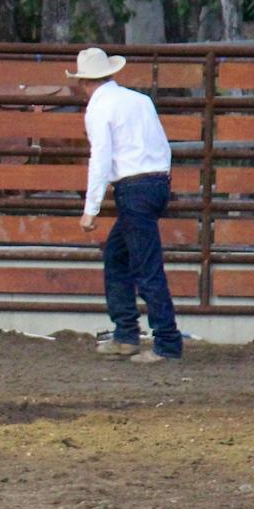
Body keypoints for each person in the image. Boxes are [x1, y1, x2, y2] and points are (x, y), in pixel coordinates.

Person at [70, 47, 182, 362]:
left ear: (84, 82)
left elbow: (101, 158)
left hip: (133, 189)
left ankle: (166, 342)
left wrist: (90, 208)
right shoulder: (140, 101)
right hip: (156, 183)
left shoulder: (98, 109)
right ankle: (126, 333)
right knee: (119, 256)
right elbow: (161, 144)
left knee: (145, 266)